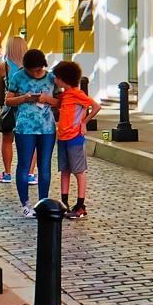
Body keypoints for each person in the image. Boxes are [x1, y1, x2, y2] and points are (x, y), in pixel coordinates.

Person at [6, 48, 62, 217]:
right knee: (24, 165)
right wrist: (24, 98)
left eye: (38, 70)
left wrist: (46, 99)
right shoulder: (18, 77)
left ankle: (42, 201)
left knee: (44, 166)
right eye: (32, 70)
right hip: (25, 128)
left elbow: (60, 102)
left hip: (47, 128)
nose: (35, 73)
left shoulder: (52, 78)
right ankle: (25, 203)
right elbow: (8, 100)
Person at [52, 61, 100, 218]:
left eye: (56, 77)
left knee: (79, 171)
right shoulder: (65, 94)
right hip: (63, 137)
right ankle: (64, 202)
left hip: (74, 137)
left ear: (61, 78)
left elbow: (96, 106)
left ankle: (80, 205)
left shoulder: (77, 94)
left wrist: (84, 122)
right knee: (64, 170)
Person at [0, 34, 25, 183]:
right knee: (29, 142)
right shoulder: (29, 68)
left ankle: (7, 173)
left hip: (9, 108)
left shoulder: (3, 67)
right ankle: (30, 173)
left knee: (7, 141)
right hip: (27, 109)